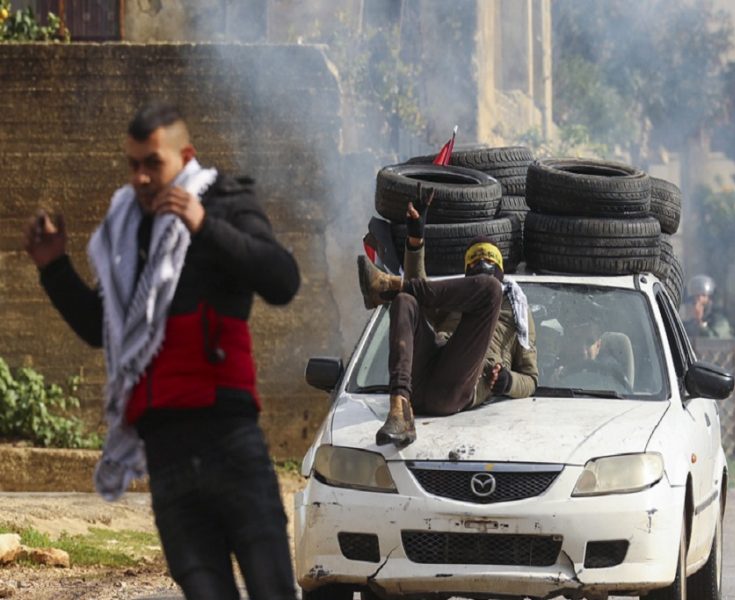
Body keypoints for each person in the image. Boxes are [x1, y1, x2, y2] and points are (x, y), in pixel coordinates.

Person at [23, 102, 300, 600]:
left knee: (272, 590)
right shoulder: (128, 233)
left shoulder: (224, 202)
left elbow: (282, 279)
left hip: (230, 441)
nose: (142, 178)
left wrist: (204, 225)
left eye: (154, 163)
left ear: (185, 156)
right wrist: (54, 268)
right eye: (133, 165)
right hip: (167, 457)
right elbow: (101, 329)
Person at [356, 187, 538, 446]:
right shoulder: (453, 297)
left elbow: (531, 378)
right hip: (420, 383)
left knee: (489, 290)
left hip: (456, 388)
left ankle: (388, 286)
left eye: (488, 257)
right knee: (406, 300)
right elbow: (422, 291)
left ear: (501, 267)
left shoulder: (516, 308)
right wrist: (416, 239)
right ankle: (399, 410)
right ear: (465, 270)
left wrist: (508, 382)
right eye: (474, 258)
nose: (481, 262)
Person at [682, 274, 732, 339]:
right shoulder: (688, 325)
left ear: (710, 299)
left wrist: (700, 323)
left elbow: (716, 341)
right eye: (696, 296)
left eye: (703, 295)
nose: (699, 299)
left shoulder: (720, 321)